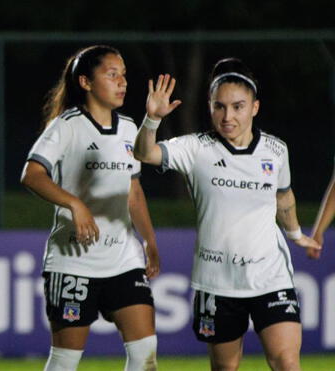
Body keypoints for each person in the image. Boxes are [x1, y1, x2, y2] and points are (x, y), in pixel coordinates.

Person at [133, 58, 321, 371]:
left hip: (269, 276)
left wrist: (295, 235)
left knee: (287, 362)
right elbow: (143, 153)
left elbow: (284, 198)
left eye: (238, 106)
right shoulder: (196, 149)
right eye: (219, 107)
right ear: (209, 106)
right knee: (225, 368)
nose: (228, 116)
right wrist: (151, 120)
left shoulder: (276, 151)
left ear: (255, 107)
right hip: (217, 282)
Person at [21, 45, 160, 371]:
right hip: (74, 262)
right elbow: (31, 174)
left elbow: (134, 191)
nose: (122, 82)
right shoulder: (66, 126)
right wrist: (75, 204)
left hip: (123, 259)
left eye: (123, 75)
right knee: (66, 361)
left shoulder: (129, 129)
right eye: (112, 75)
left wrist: (150, 240)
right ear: (85, 82)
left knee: (145, 354)